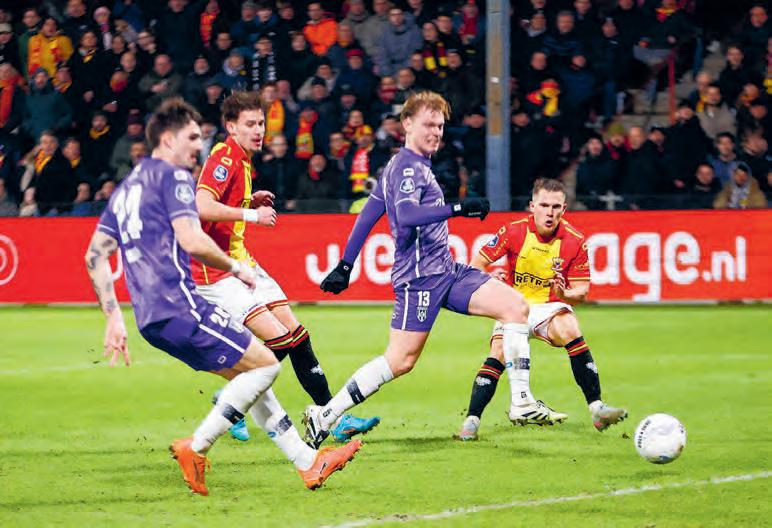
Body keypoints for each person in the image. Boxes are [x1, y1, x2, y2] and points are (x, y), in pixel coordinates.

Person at [83, 97, 361, 496]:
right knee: (266, 366)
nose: (199, 146)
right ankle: (197, 446)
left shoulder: (128, 188)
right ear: (167, 139)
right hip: (184, 305)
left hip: (148, 320)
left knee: (252, 377)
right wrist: (235, 266)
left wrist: (113, 317)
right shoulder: (173, 178)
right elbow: (193, 237)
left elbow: (94, 255)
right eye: (192, 137)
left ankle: (307, 462)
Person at [302, 91, 531, 449]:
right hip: (420, 279)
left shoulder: (402, 166)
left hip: (447, 271)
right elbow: (407, 215)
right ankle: (326, 415)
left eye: (440, 126)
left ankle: (522, 401)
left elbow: (368, 215)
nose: (436, 132)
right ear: (407, 123)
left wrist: (346, 264)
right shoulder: (408, 167)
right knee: (401, 360)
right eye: (428, 124)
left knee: (515, 307)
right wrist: (458, 208)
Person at [193, 91, 379, 443]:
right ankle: (233, 396)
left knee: (298, 335)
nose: (259, 130)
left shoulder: (243, 161)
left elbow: (222, 205)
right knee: (280, 340)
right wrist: (252, 214)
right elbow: (201, 206)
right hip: (220, 270)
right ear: (231, 126)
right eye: (250, 124)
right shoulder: (224, 157)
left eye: (261, 123)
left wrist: (249, 199)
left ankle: (330, 415)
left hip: (242, 260)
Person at [456, 179, 628, 440]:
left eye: (556, 207)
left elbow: (582, 291)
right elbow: (476, 264)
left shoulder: (575, 241)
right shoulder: (513, 231)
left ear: (564, 209)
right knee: (498, 352)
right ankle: (471, 422)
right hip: (514, 307)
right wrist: (489, 279)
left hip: (549, 307)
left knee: (570, 326)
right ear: (532, 206)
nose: (550, 213)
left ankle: (597, 409)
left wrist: (564, 294)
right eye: (544, 205)